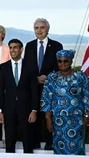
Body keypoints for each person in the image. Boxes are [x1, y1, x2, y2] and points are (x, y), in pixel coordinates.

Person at [41, 50, 89, 155]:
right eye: (60, 61)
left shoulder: (80, 77)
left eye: (66, 61)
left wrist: (87, 116)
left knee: (76, 148)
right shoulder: (52, 78)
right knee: (59, 148)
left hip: (77, 120)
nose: (62, 64)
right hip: (58, 121)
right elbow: (46, 99)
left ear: (71, 61)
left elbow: (88, 97)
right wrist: (48, 119)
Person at [23, 18, 63, 150]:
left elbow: (60, 66)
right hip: (33, 86)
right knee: (34, 112)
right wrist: (35, 78)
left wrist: (48, 77)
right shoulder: (29, 46)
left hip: (50, 86)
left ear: (47, 29)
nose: (39, 30)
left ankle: (49, 141)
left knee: (49, 114)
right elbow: (27, 66)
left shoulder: (56, 46)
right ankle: (34, 141)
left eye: (42, 27)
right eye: (36, 28)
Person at [0, 39, 38, 153]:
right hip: (8, 109)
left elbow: (34, 90)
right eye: (10, 47)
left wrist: (34, 110)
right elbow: (0, 90)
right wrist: (0, 110)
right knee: (9, 140)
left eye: (15, 47)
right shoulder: (4, 67)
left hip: (26, 109)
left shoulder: (31, 66)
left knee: (27, 139)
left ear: (21, 49)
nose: (12, 50)